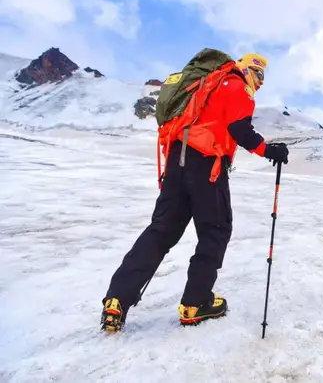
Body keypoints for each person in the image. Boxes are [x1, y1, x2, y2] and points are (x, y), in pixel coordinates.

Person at [100, 53, 290, 332]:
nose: (260, 82)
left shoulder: (209, 86)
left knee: (161, 231)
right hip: (206, 165)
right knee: (215, 230)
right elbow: (240, 129)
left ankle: (117, 299)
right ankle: (196, 303)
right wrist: (268, 150)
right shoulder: (237, 86)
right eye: (258, 74)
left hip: (178, 161)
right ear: (247, 69)